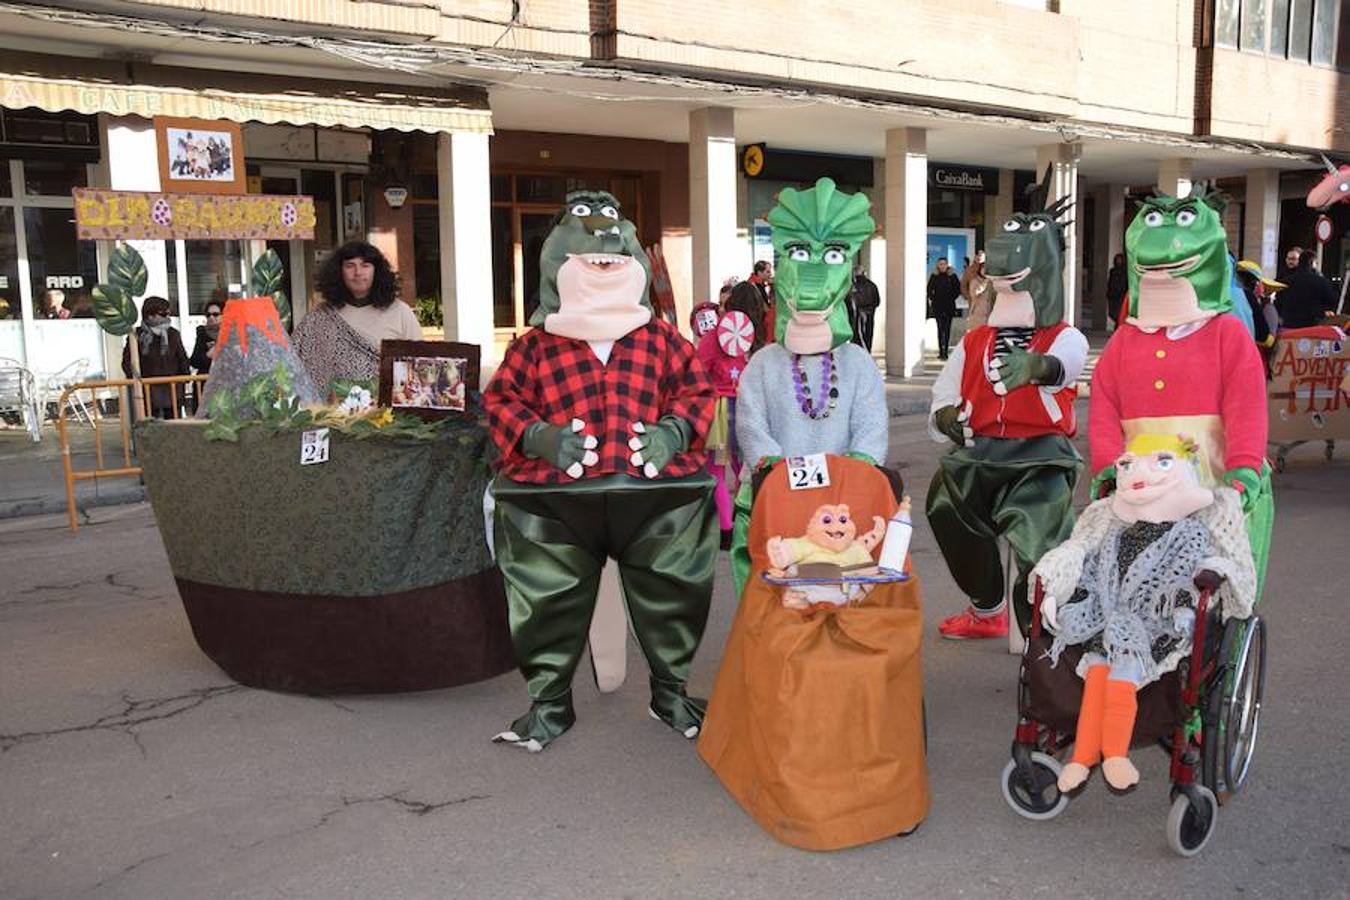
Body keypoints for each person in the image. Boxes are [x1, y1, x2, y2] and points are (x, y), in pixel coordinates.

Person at [291, 241, 421, 400]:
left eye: (365, 265)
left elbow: (417, 364)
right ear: (339, 272)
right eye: (350, 266)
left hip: (386, 415)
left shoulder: (401, 312)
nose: (358, 272)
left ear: (377, 271)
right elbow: (291, 358)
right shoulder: (320, 316)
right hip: (333, 415)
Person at [122, 295, 190, 419]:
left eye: (169, 313)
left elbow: (182, 359)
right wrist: (137, 382)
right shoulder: (136, 335)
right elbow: (127, 362)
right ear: (150, 315)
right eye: (163, 314)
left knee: (174, 427)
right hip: (147, 392)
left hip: (172, 391)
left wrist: (184, 379)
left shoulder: (173, 334)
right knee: (149, 427)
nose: (168, 317)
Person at [1275, 249, 1338, 328]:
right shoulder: (1320, 281)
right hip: (1312, 323)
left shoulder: (1286, 280)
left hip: (1289, 323)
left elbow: (1278, 301)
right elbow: (1332, 299)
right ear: (1312, 263)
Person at [926, 257, 961, 360]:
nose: (942, 266)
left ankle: (945, 351)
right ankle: (941, 351)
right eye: (940, 264)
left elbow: (957, 290)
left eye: (944, 264)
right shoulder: (934, 276)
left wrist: (951, 298)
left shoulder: (952, 276)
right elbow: (929, 290)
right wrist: (933, 298)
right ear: (938, 265)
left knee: (947, 329)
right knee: (940, 329)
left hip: (949, 306)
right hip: (938, 306)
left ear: (947, 265)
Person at [848, 263, 881, 351]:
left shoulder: (853, 286)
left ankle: (860, 354)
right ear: (864, 273)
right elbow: (877, 301)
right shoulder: (872, 285)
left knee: (858, 336)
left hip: (858, 314)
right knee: (868, 335)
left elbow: (850, 302)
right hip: (870, 313)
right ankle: (867, 352)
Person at [959, 250, 995, 330]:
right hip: (975, 304)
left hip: (988, 309)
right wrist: (968, 296)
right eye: (978, 256)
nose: (979, 258)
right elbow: (964, 285)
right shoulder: (969, 270)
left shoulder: (990, 277)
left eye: (981, 256)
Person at [190, 301, 224, 375]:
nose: (211, 318)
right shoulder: (202, 334)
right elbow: (194, 362)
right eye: (208, 315)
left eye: (216, 314)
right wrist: (208, 355)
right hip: (206, 380)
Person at [1105, 252, 1128, 329]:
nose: (1118, 261)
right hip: (1113, 295)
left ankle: (1118, 327)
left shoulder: (1126, 272)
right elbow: (1110, 282)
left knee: (1119, 313)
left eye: (1120, 260)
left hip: (1121, 295)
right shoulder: (1113, 271)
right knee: (1112, 313)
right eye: (1117, 260)